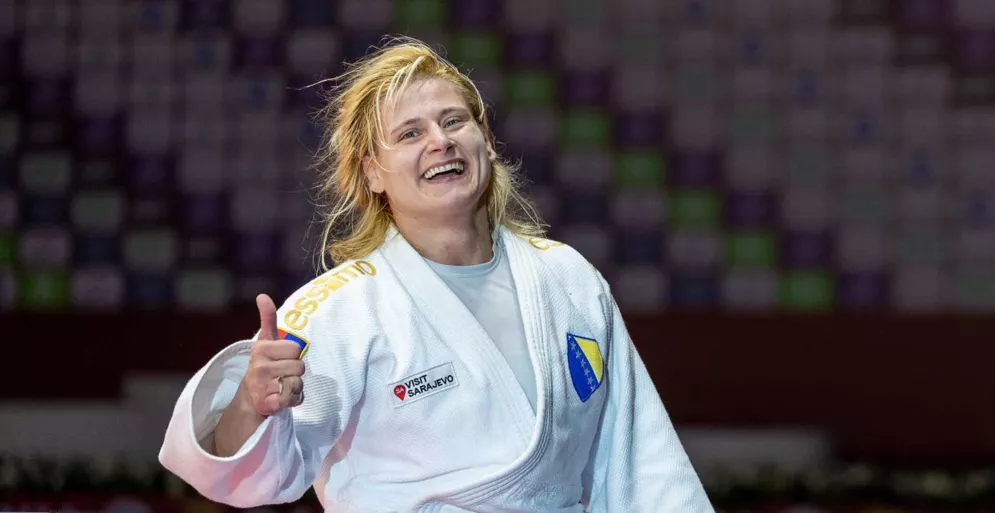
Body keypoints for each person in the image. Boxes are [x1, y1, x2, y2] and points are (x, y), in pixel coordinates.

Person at [158, 36, 714, 512]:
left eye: (453, 121)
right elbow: (254, 476)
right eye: (409, 134)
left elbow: (642, 464)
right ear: (372, 174)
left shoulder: (567, 278)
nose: (440, 141)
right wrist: (250, 405)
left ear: (486, 142)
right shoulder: (341, 309)